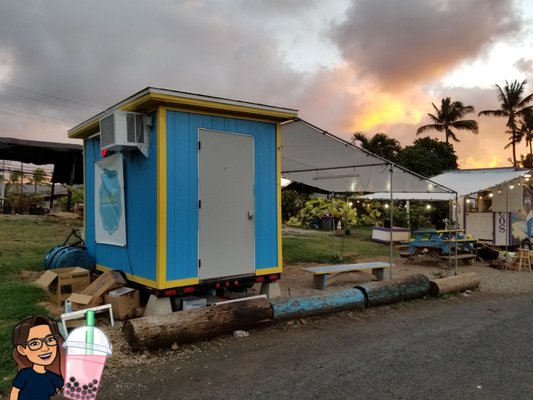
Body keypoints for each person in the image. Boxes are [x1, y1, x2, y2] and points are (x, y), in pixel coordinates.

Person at [10, 315, 65, 400]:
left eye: (50, 340)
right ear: (22, 350)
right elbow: (15, 392)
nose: (45, 348)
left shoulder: (53, 377)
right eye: (34, 343)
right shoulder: (24, 374)